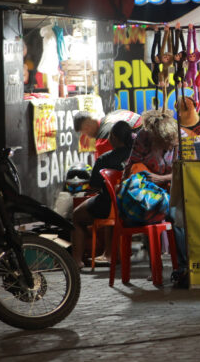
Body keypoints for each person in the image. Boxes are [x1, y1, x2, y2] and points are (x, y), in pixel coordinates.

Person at [117, 109, 188, 285]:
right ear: (157, 139)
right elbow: (132, 165)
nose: (171, 148)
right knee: (150, 213)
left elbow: (184, 171)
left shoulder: (181, 136)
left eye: (173, 144)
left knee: (177, 216)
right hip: (148, 192)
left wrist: (161, 178)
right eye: (167, 145)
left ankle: (183, 268)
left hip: (171, 188)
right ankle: (156, 268)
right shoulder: (144, 137)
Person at [69, 121, 133, 269]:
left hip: (108, 205)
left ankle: (76, 261)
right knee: (111, 210)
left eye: (110, 135)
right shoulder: (136, 154)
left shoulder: (105, 158)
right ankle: (109, 253)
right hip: (131, 205)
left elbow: (95, 185)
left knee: (77, 216)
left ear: (115, 138)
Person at [75, 109, 143, 157]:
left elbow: (106, 169)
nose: (88, 137)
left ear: (87, 127)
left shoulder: (103, 140)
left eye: (84, 133)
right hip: (150, 135)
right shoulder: (117, 112)